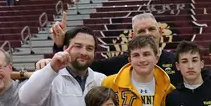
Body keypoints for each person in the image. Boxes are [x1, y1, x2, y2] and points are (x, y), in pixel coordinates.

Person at [49, 12, 178, 78]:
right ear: (132, 36)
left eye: (151, 29)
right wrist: (60, 46)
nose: (147, 34)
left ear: (160, 32)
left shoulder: (176, 61)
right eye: (141, 31)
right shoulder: (118, 64)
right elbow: (81, 63)